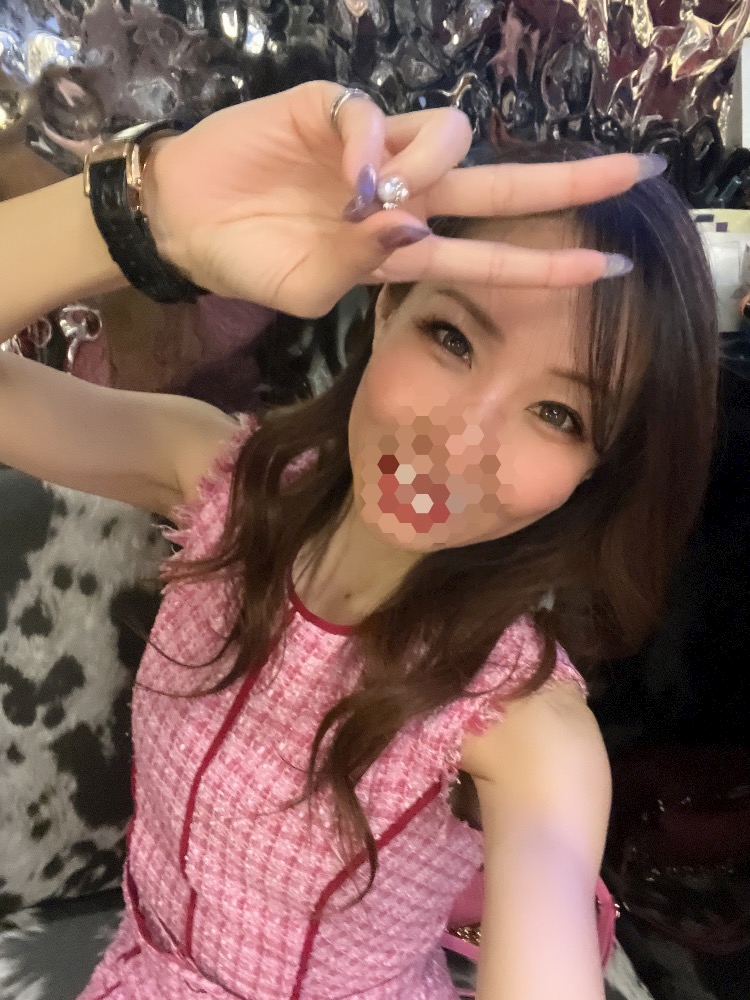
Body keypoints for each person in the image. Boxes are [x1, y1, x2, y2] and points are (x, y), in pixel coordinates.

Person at [0, 81, 717, 1000]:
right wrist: (152, 210)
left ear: (594, 472)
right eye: (452, 337)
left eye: (557, 413)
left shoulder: (525, 727)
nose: (460, 441)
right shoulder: (220, 480)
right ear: (385, 312)